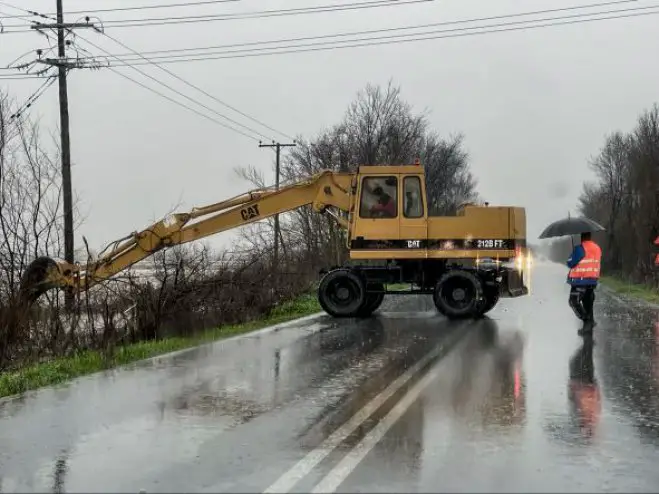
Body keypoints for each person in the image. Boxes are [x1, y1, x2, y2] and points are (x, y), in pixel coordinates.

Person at [566, 232, 602, 328]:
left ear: (582, 238)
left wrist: (573, 253)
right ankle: (590, 324)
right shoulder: (597, 248)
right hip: (592, 281)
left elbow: (570, 263)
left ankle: (586, 320)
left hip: (580, 281)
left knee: (573, 302)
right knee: (587, 302)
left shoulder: (580, 248)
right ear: (590, 237)